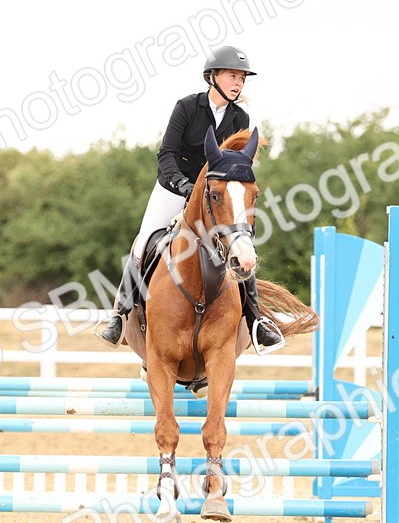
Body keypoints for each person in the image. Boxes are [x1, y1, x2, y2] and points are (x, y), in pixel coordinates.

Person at [95, 45, 285, 353]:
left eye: (242, 78)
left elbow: (236, 165)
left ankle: (256, 321)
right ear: (212, 77)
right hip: (174, 188)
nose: (238, 83)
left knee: (240, 244)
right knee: (144, 241)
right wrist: (183, 184)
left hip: (216, 196)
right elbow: (166, 153)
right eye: (232, 76)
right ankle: (120, 314)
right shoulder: (187, 107)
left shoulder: (241, 117)